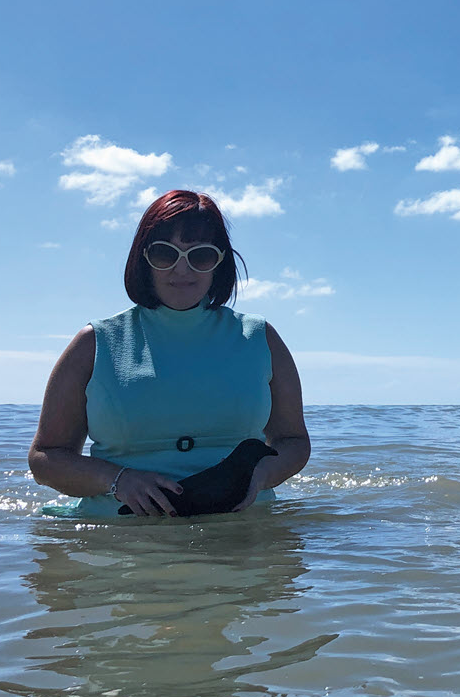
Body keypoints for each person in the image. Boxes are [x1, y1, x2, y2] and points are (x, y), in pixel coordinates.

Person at [29, 190, 310, 517]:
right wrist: (118, 479)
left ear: (219, 263)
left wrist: (262, 476)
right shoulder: (94, 343)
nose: (182, 269)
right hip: (118, 539)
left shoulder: (260, 338)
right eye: (165, 254)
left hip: (242, 533)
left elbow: (293, 441)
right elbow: (45, 457)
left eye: (200, 256)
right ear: (143, 259)